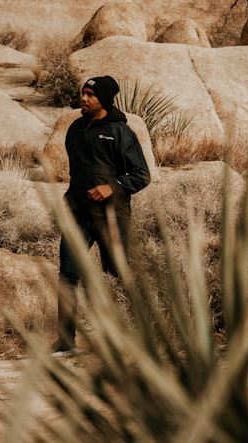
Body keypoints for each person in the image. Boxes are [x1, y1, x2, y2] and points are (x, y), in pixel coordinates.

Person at [53, 75, 151, 354]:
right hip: (77, 213)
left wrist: (113, 187)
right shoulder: (75, 129)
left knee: (115, 275)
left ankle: (124, 340)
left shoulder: (121, 132)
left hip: (112, 216)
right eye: (82, 93)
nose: (83, 98)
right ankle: (65, 340)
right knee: (68, 276)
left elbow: (141, 175)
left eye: (90, 95)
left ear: (104, 100)